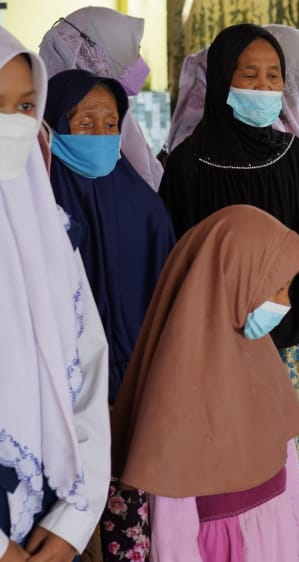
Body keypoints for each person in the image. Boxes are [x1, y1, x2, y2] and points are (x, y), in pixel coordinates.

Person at [157, 24, 299, 562]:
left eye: (274, 77)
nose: (265, 88)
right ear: (221, 80)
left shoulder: (294, 157)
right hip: (223, 359)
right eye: (250, 75)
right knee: (237, 492)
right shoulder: (189, 166)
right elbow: (174, 273)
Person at [110, 205, 299, 562]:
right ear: (235, 282)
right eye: (278, 288)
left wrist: (297, 542)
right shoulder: (177, 385)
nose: (286, 303)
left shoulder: (261, 357)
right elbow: (172, 526)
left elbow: (288, 464)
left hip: (276, 531)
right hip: (220, 545)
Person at [43, 67, 175, 562]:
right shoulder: (37, 200)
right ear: (54, 124)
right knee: (57, 529)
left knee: (126, 528)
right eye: (85, 121)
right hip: (58, 402)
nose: (101, 133)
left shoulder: (143, 204)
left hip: (130, 397)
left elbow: (167, 301)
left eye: (110, 121)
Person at [0, 26, 110, 562]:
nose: (12, 124)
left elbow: (88, 363)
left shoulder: (49, 226)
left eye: (24, 105)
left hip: (48, 513)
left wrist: (75, 517)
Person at [40, 7, 163, 190]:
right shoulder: (105, 111)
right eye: (134, 51)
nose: (139, 61)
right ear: (98, 53)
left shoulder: (41, 106)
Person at [166, 23, 299, 151]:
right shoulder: (194, 153)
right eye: (250, 75)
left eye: (272, 75)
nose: (263, 86)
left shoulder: (290, 150)